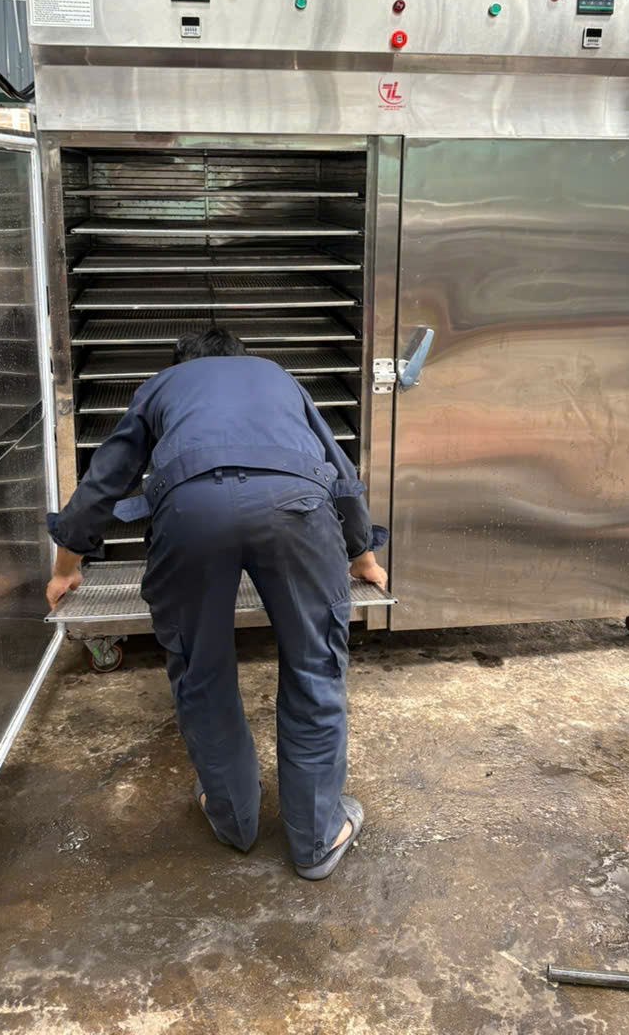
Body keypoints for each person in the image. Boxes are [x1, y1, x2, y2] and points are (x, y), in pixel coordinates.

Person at [45, 326, 388, 880]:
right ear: (243, 357)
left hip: (190, 512)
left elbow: (104, 478)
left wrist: (66, 565)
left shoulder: (162, 385)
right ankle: (316, 838)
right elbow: (341, 473)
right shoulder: (278, 377)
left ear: (181, 362)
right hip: (298, 508)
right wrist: (362, 555)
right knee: (315, 666)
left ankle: (234, 818)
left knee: (201, 669)